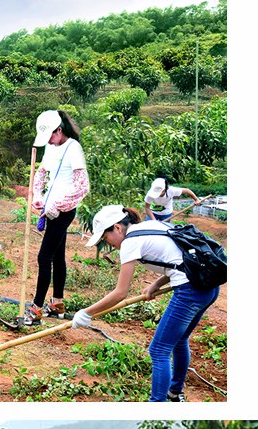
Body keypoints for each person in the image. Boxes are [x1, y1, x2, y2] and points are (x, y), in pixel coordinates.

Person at [72, 204, 220, 402]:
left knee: (159, 350)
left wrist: (86, 313)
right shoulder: (150, 226)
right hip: (208, 287)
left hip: (191, 291)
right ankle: (175, 393)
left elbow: (120, 293)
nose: (106, 244)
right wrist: (156, 284)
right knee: (179, 340)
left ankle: (157, 404)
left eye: (105, 238)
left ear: (117, 227)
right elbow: (178, 259)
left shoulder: (130, 242)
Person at [24, 108, 90, 325]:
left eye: (51, 136)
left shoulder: (74, 149)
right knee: (57, 256)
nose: (49, 141)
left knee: (44, 257)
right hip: (50, 207)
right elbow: (42, 173)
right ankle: (57, 304)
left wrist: (59, 205)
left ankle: (35, 310)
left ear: (59, 130)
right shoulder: (52, 148)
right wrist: (38, 196)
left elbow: (83, 187)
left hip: (64, 211)